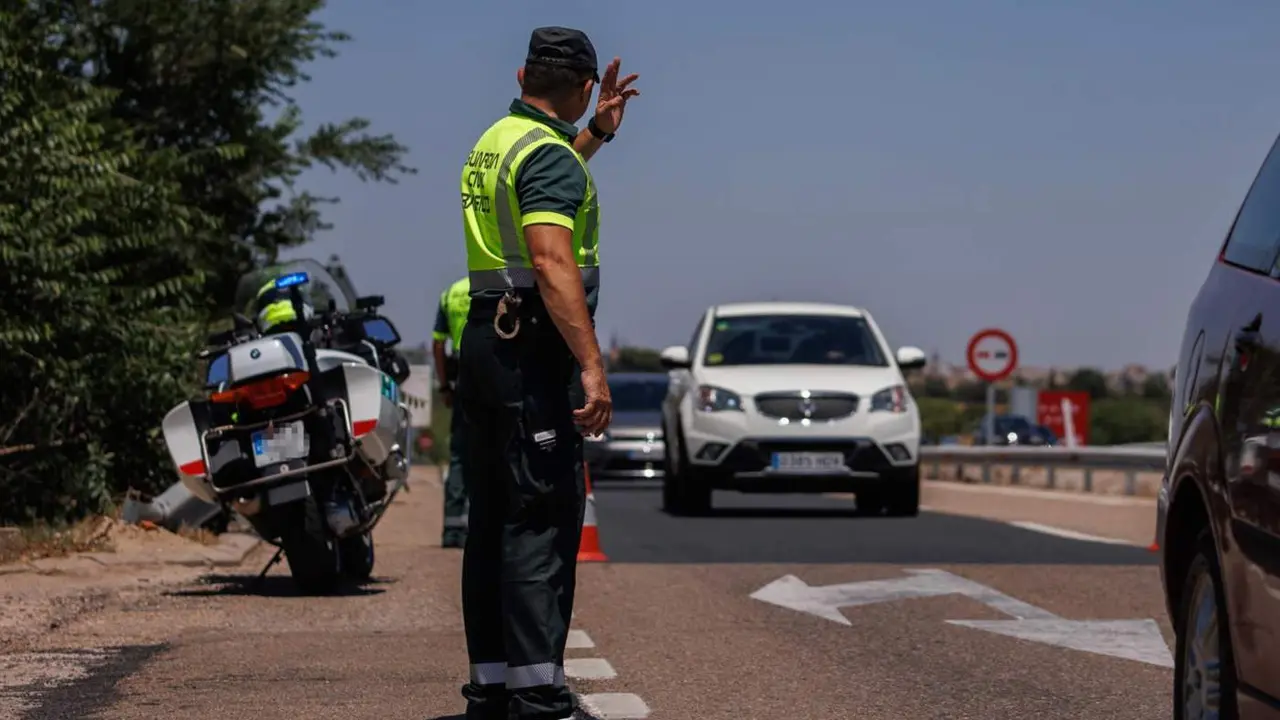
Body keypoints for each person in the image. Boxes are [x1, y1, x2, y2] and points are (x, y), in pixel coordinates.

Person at [455, 26, 638, 720]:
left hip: (487, 343)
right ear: (586, 84)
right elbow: (551, 260)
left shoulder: (499, 140)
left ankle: (494, 687)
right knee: (540, 521)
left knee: (495, 519)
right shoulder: (547, 160)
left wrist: (597, 134)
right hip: (532, 353)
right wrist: (592, 364)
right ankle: (537, 697)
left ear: (522, 73)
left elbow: (542, 177)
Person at [432, 275, 472, 548]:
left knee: (459, 454)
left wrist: (444, 385)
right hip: (493, 373)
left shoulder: (450, 293)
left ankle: (452, 529)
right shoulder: (498, 284)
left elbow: (437, 344)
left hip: (461, 378)